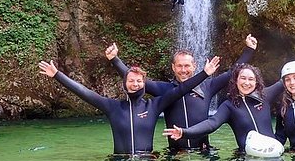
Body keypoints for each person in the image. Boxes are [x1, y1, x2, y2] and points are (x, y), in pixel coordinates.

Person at [106, 35, 267, 153]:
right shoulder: (163, 89)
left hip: (203, 151)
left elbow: (234, 72)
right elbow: (135, 79)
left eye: (187, 66)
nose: (184, 70)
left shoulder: (208, 86)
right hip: (176, 154)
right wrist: (115, 60)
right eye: (180, 66)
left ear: (194, 65)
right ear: (173, 67)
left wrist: (249, 50)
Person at [38, 55, 220, 156]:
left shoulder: (155, 105)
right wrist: (57, 75)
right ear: (124, 83)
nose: (135, 84)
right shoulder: (112, 107)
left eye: (139, 81)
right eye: (131, 80)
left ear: (144, 83)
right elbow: (85, 93)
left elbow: (182, 89)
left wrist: (204, 73)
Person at [163, 63, 285, 156]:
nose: (246, 83)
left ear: (256, 82)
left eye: (251, 79)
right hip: (247, 157)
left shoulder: (265, 96)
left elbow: (286, 81)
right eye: (243, 78)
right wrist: (185, 132)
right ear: (236, 80)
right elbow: (212, 124)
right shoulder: (229, 106)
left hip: (273, 154)